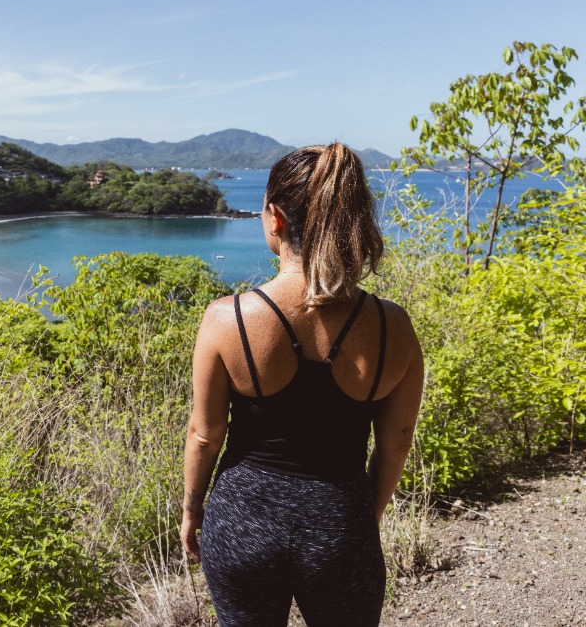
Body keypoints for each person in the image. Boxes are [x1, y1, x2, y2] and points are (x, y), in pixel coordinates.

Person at [180, 143, 424, 627]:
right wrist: (360, 518)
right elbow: (395, 442)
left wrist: (192, 510)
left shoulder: (226, 320)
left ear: (275, 218)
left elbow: (204, 435)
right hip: (340, 520)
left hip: (242, 521)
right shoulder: (394, 327)